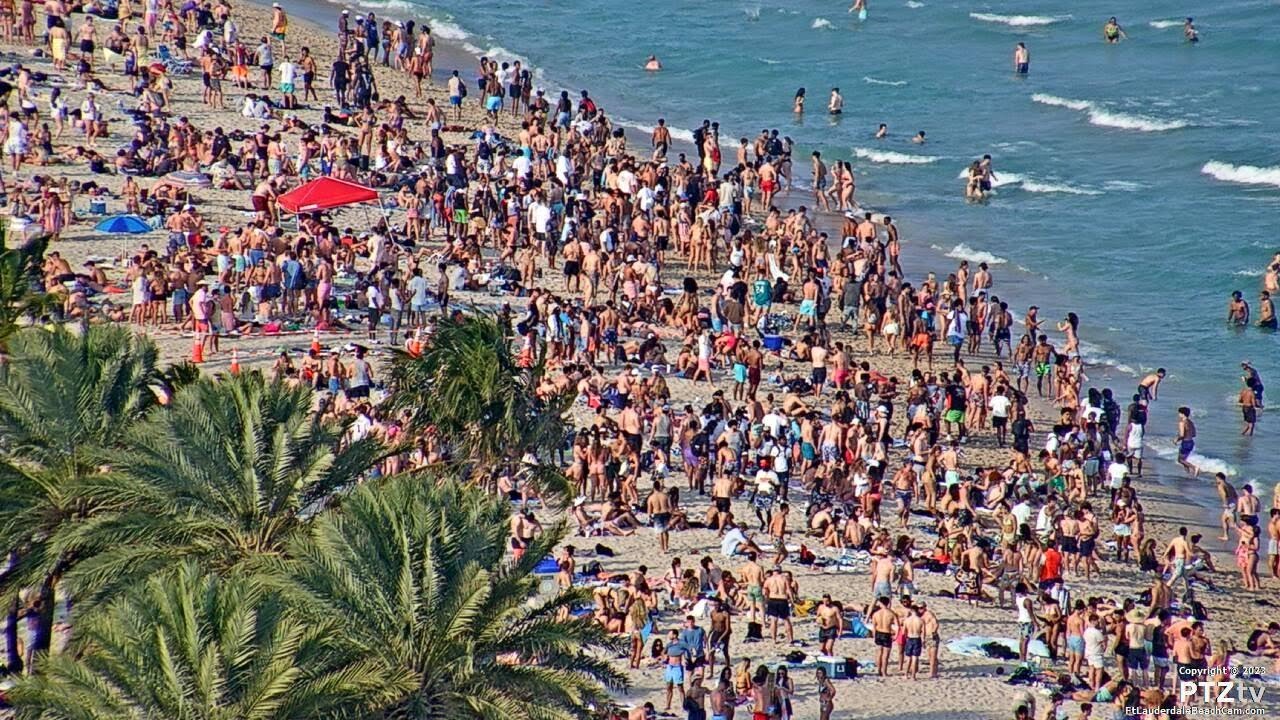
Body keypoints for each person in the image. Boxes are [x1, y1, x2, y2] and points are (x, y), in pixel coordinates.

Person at [1175, 406, 1197, 476]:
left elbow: (1182, 435)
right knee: (1183, 460)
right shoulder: (1191, 422)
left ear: (1183, 414)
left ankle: (1194, 467)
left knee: (1180, 460)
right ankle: (1188, 474)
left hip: (1185, 443)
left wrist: (1176, 440)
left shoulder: (1182, 423)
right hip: (1191, 442)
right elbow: (1194, 434)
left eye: (1179, 413)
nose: (1179, 415)